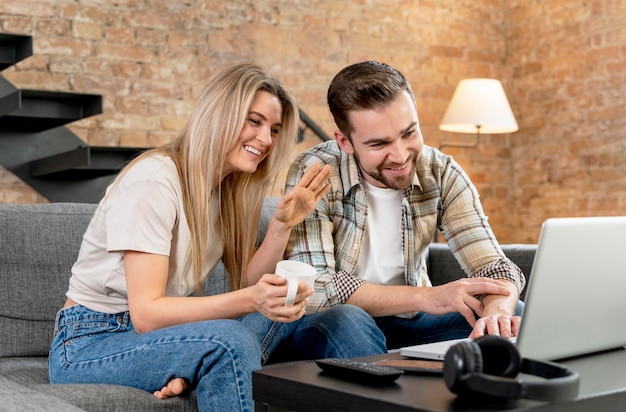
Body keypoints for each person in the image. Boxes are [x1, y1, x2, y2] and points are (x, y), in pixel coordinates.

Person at [48, 63, 386, 412]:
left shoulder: (224, 191)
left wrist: (282, 225)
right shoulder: (154, 181)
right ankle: (203, 357)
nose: (266, 140)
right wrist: (248, 303)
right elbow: (146, 314)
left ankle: (195, 362)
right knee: (229, 342)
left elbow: (248, 282)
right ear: (219, 114)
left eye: (274, 129)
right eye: (254, 121)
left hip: (158, 335)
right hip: (91, 341)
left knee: (343, 319)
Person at [284, 60, 526, 350]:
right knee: (349, 320)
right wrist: (430, 296)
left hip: (412, 320)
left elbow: (493, 266)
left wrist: (498, 308)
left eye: (409, 133)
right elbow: (316, 289)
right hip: (334, 321)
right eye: (379, 144)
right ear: (345, 142)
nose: (400, 156)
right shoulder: (315, 171)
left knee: (515, 315)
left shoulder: (440, 171)